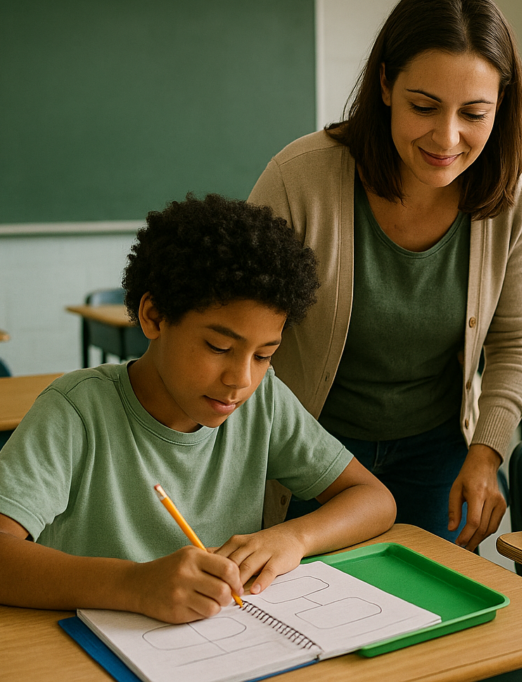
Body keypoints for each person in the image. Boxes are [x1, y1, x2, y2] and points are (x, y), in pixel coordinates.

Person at [0, 194, 396, 624]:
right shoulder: (76, 412)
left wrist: (293, 537)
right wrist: (134, 584)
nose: (241, 379)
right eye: (219, 347)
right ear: (153, 316)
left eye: (264, 355)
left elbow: (374, 499)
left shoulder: (262, 403)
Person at [248, 0, 522, 550]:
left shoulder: (513, 190)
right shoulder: (300, 178)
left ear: (501, 106)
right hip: (310, 448)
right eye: (424, 106)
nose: (447, 137)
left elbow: (517, 339)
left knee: (427, 617)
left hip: (438, 450)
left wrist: (487, 453)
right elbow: (240, 323)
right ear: (385, 84)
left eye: (474, 113)